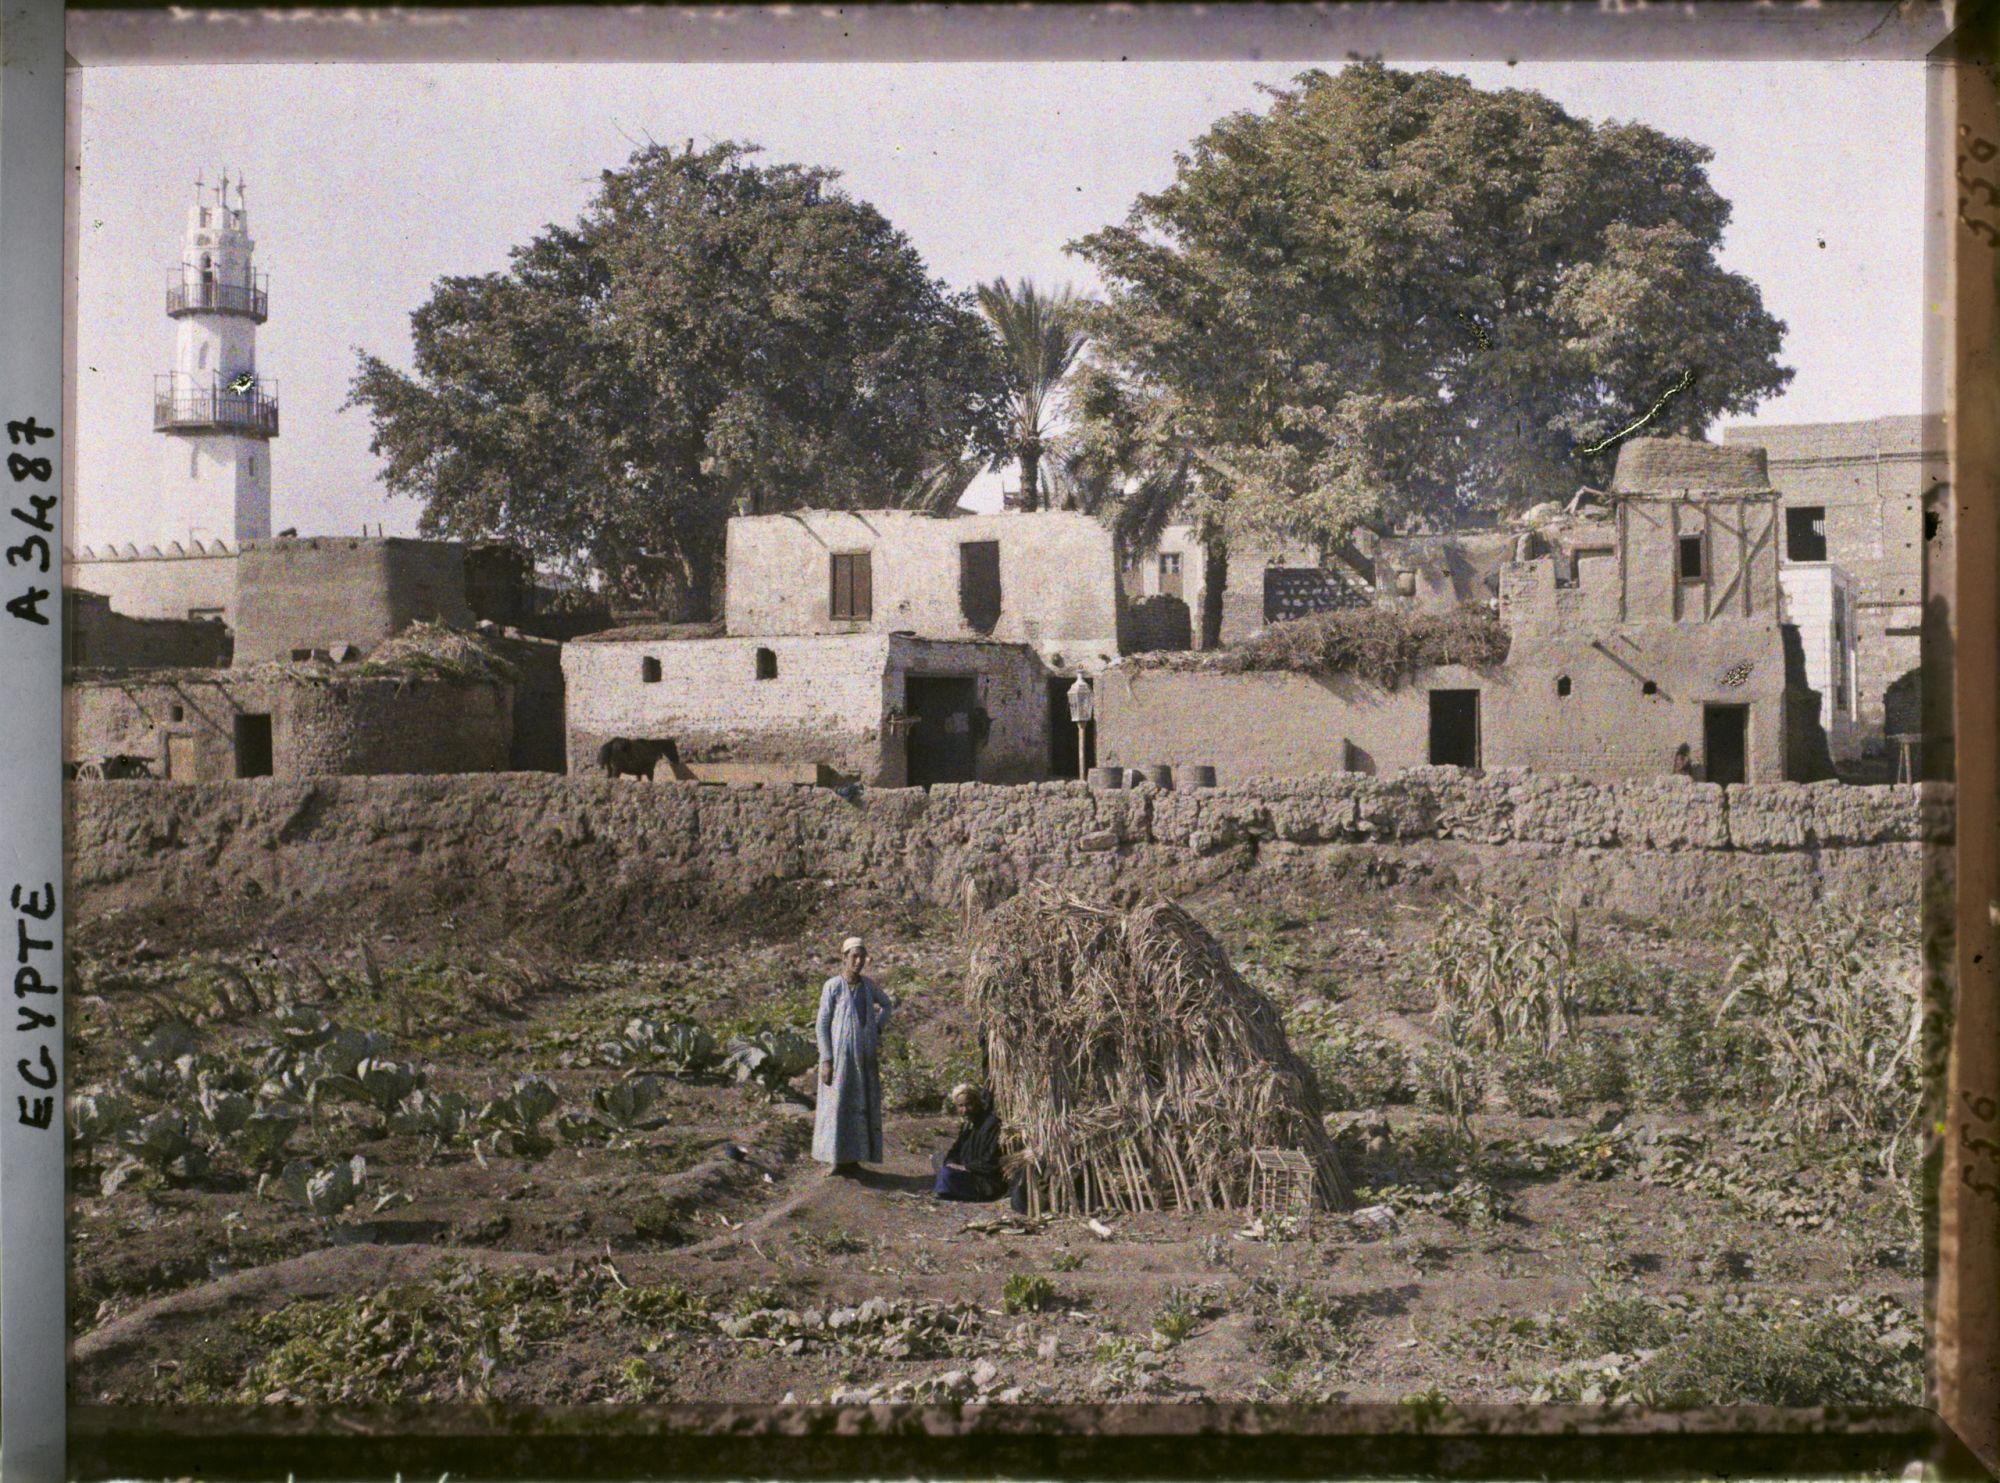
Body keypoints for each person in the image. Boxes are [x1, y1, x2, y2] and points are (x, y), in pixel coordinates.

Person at [813, 936, 893, 1178]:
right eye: (854, 957)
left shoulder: (868, 986)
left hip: (864, 1058)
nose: (858, 961)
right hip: (840, 1060)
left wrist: (876, 1027)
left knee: (860, 1106)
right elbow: (822, 1024)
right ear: (844, 958)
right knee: (837, 1106)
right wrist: (826, 1059)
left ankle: (855, 1159)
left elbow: (887, 1004)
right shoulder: (833, 986)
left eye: (862, 957)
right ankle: (836, 1160)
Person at [931, 1083, 1007, 1202]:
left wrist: (966, 1167)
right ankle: (947, 1183)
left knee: (946, 1173)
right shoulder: (968, 1125)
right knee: (938, 1158)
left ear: (977, 1102)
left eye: (969, 1104)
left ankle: (947, 1187)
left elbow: (992, 1160)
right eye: (961, 1106)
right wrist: (951, 1162)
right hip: (967, 1173)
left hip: (983, 1182)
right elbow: (955, 1150)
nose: (965, 1110)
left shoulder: (991, 1124)